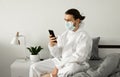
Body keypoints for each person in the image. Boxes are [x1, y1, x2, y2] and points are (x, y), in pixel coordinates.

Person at [29, 8, 93, 77]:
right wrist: (52, 45)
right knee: (34, 67)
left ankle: (49, 75)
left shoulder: (84, 36)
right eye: (65, 20)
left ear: (77, 21)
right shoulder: (64, 34)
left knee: (70, 70)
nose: (66, 23)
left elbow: (79, 57)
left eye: (68, 20)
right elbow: (57, 54)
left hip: (77, 64)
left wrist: (58, 67)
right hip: (61, 61)